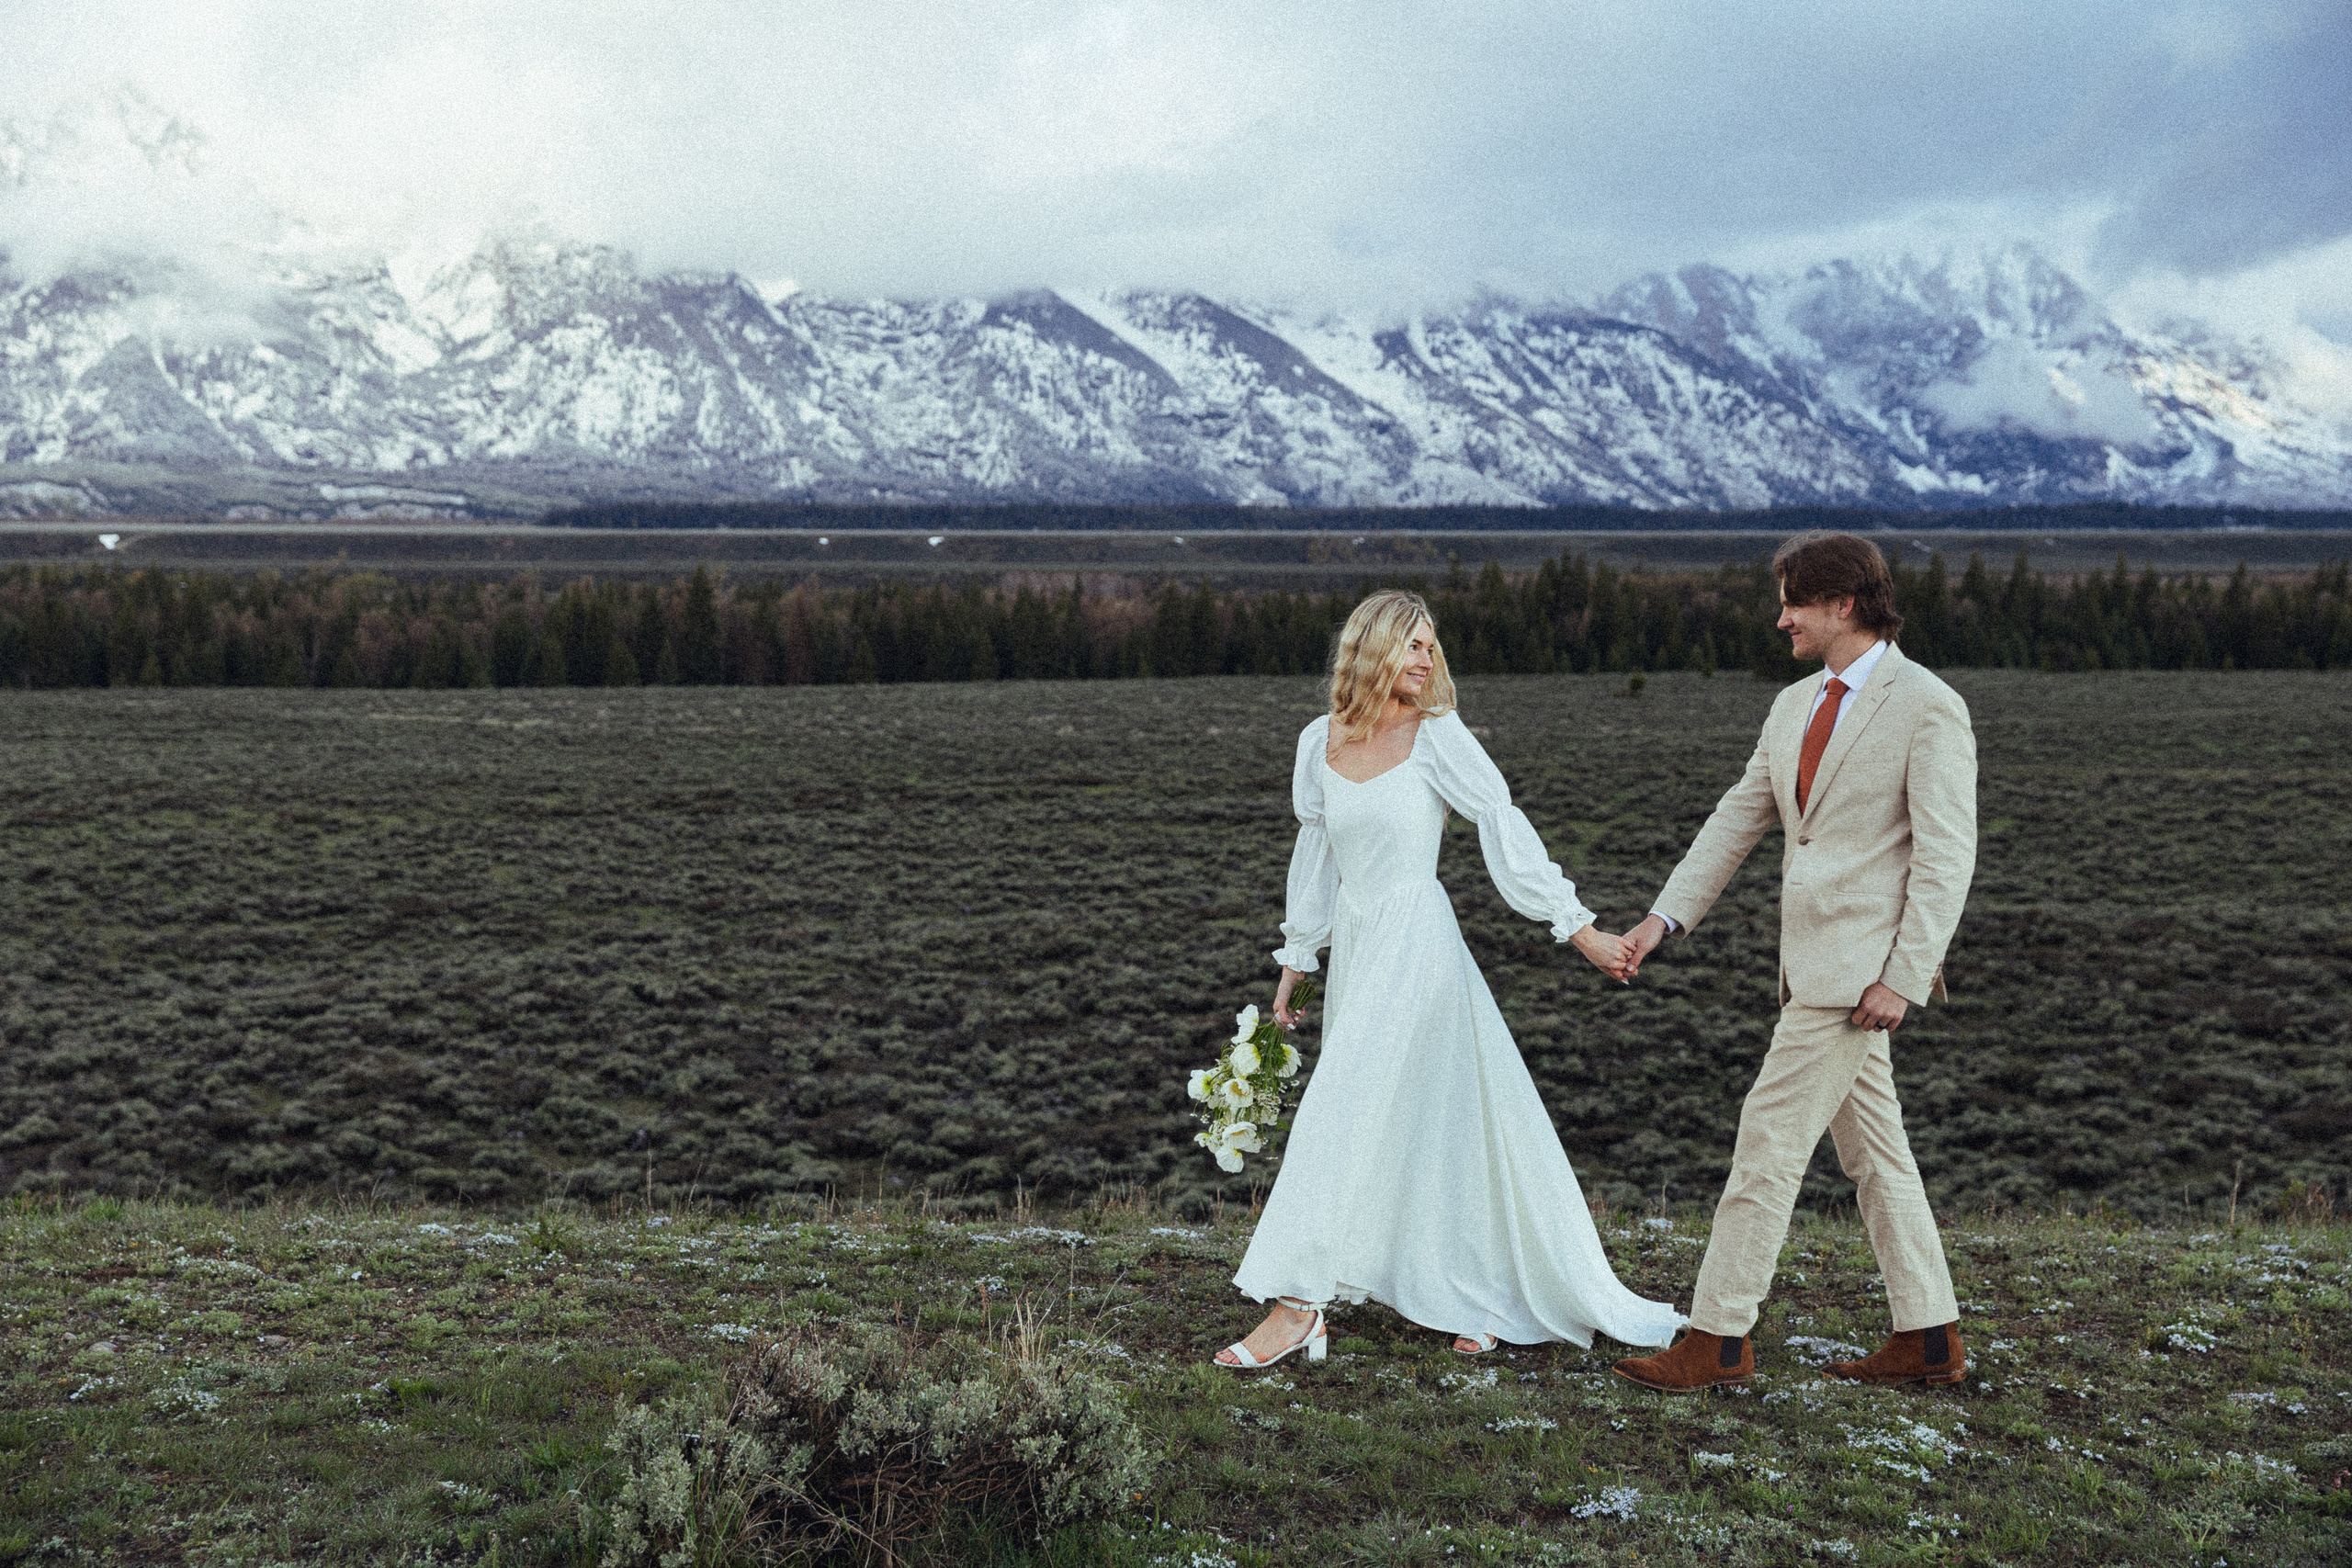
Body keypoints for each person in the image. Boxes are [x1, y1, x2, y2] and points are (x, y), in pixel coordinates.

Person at [1215, 590, 1686, 1371]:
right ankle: (1483, 1292)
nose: (1428, 660)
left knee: (1341, 1105)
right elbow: (1318, 857)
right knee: (1443, 1120)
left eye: (1433, 647)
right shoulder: (1317, 743)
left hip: (1420, 948)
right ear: (1371, 651)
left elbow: (1504, 827)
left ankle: (1299, 1304)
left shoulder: (1437, 736)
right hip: (1364, 949)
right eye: (1414, 646)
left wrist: (1580, 930)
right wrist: (1299, 960)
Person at [1611, 531, 1976, 1393]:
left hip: (1857, 979)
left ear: (1844, 604)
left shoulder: (1928, 705)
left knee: (1766, 1145)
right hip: (1807, 970)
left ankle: (1719, 1338)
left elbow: (1946, 855)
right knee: (1878, 1157)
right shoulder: (1789, 707)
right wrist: (1663, 919)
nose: (1781, 620)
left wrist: (1903, 975)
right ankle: (1928, 1338)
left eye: (1793, 603)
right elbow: (1738, 818)